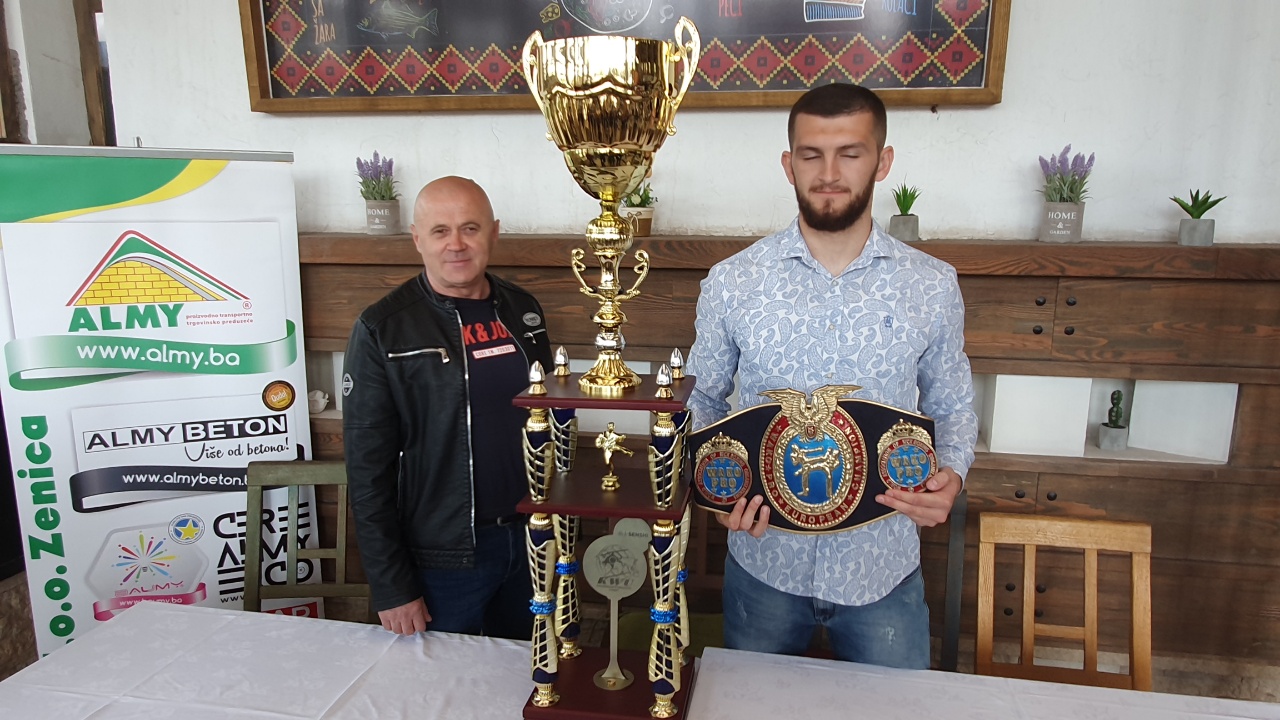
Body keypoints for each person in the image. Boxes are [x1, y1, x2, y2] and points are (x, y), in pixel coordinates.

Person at [687, 83, 978, 668]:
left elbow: (951, 406)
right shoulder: (733, 282)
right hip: (764, 561)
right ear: (788, 165)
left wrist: (951, 474)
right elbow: (702, 399)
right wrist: (713, 487)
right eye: (811, 155)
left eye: (850, 153)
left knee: (896, 711)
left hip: (883, 567)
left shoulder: (931, 285)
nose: (828, 173)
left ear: (882, 161)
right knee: (753, 709)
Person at [343, 176, 553, 639]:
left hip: (532, 541)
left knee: (527, 672)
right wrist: (391, 585)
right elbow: (366, 468)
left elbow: (549, 420)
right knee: (437, 681)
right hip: (443, 559)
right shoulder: (382, 328)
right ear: (417, 238)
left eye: (470, 228)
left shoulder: (523, 309)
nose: (456, 244)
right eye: (440, 230)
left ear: (493, 232)